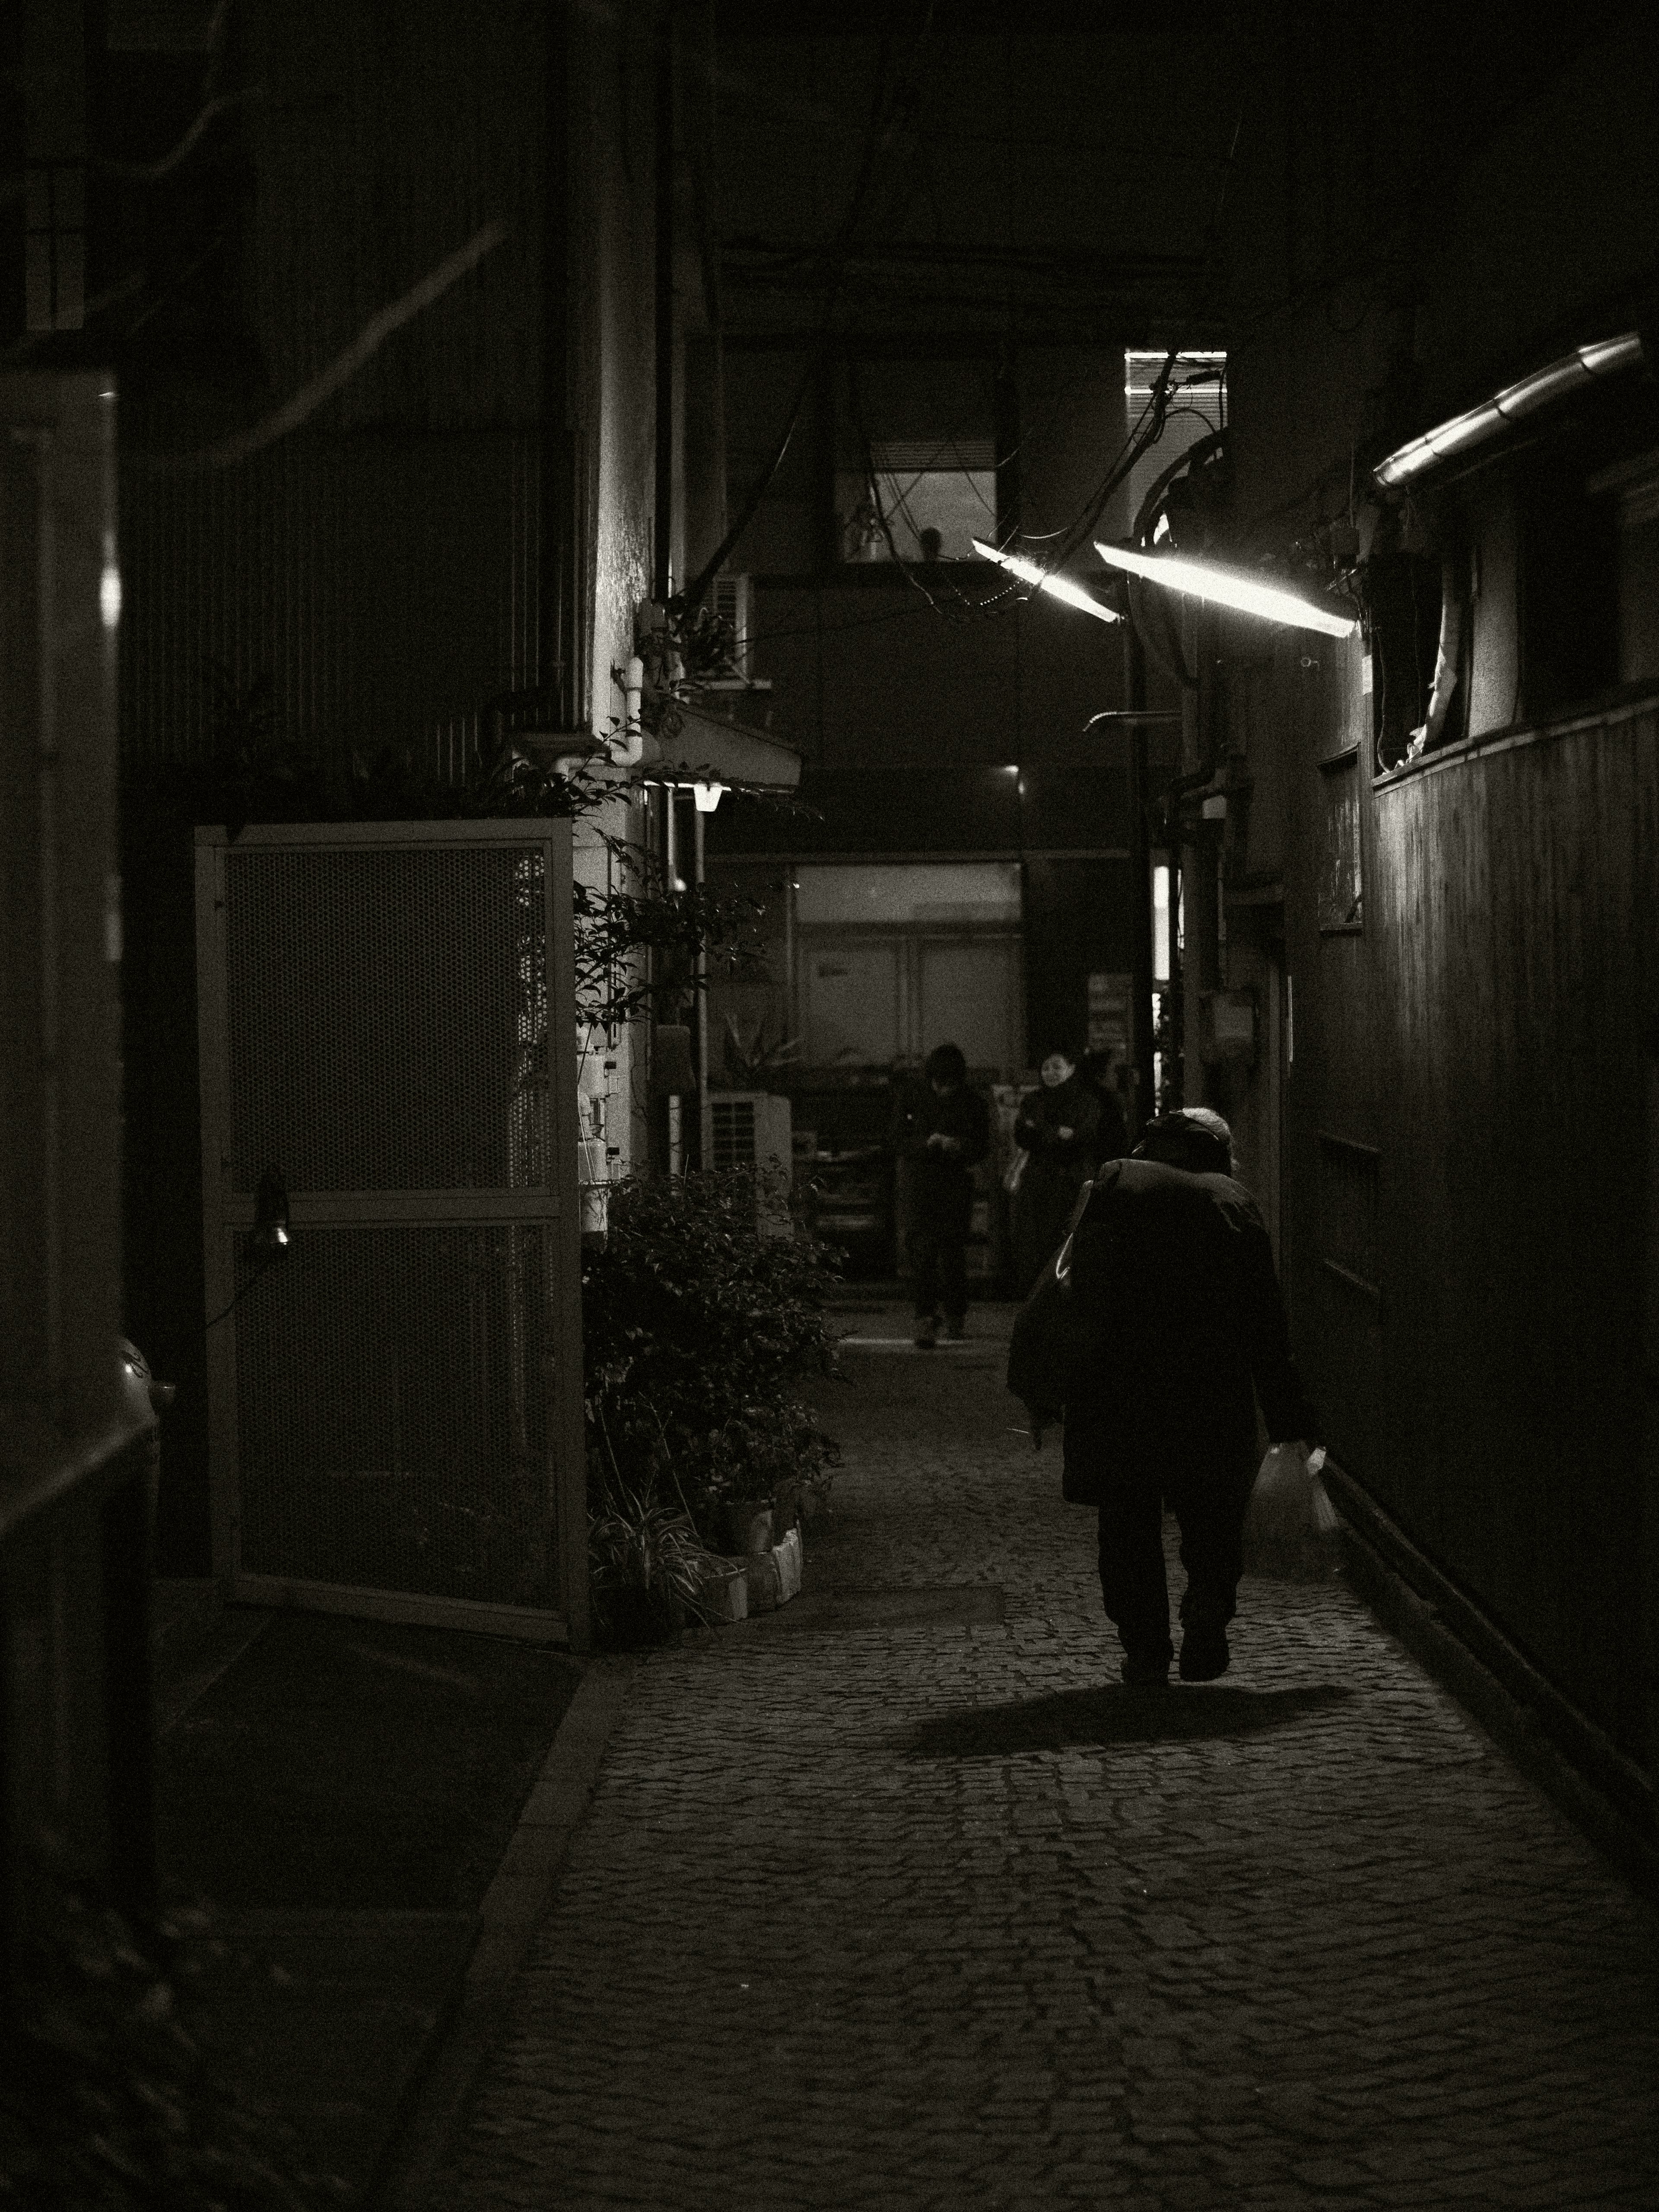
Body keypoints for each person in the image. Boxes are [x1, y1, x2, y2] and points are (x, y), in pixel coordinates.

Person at [1032, 1107, 1319, 1688]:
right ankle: (1207, 1622)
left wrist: (1047, 1384)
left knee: (1128, 1527)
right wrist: (1290, 1417)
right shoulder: (1234, 1205)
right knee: (1213, 1519)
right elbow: (1266, 1326)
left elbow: (1064, 1292)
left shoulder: (1114, 1191)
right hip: (1209, 1392)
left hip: (1120, 1391)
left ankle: (1146, 1652)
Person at [890, 1042, 989, 1348]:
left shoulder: (972, 1101)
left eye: (949, 1084)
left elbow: (981, 1146)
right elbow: (896, 1139)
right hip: (921, 1185)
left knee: (952, 1254)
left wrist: (957, 1146)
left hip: (952, 1185)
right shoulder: (911, 1095)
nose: (944, 1089)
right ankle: (926, 1319)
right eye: (939, 1083)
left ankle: (954, 1317)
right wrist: (927, 1144)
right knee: (924, 1254)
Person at [1011, 1046, 1101, 1295]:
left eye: (1057, 1067)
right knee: (1035, 1241)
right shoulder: (1034, 1100)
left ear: (1071, 1069)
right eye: (1045, 1068)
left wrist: (1040, 1131)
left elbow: (1082, 1139)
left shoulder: (1085, 1101)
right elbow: (1022, 1135)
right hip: (1038, 1182)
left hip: (1070, 1181)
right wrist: (1058, 1134)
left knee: (1065, 1240)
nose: (1050, 1073)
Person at [1080, 1048, 1130, 1169]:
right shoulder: (1102, 1104)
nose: (1118, 1076)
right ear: (1100, 1075)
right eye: (1115, 1071)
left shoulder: (1105, 1100)